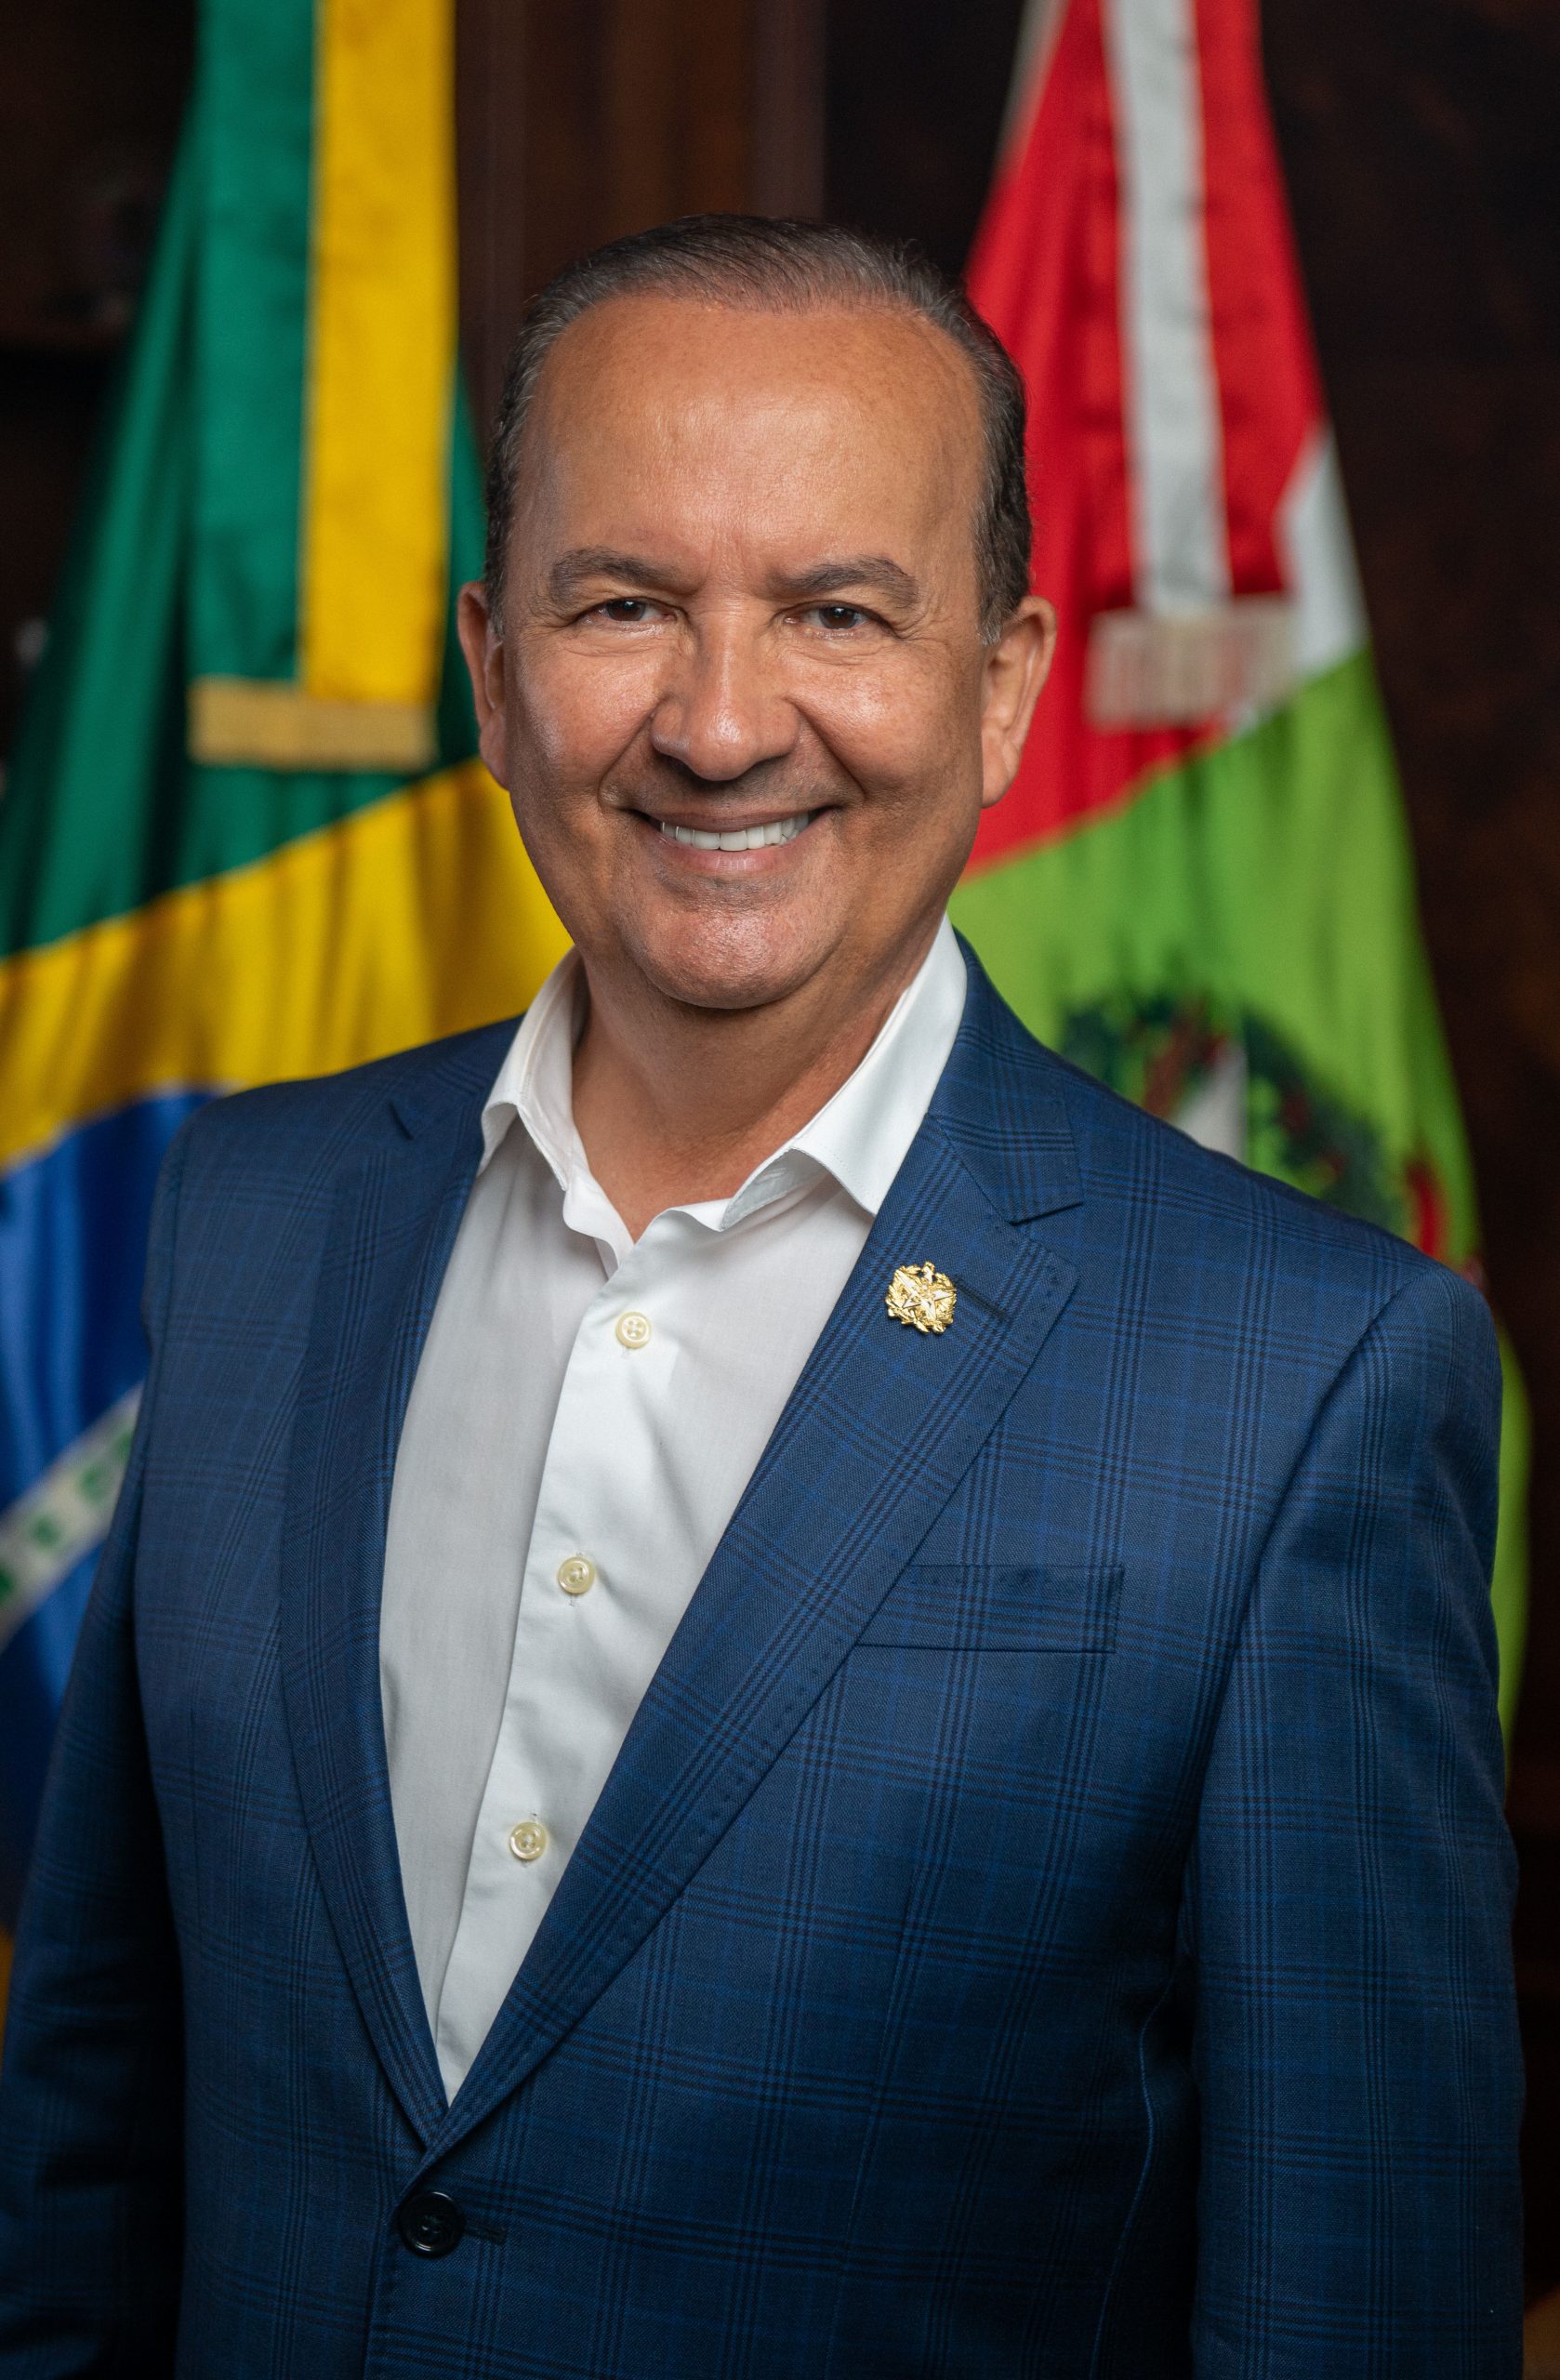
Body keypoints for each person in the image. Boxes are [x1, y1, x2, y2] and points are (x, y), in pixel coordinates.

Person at [0, 217, 1522, 2377]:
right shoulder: (253, 1212)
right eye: (622, 605)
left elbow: (1349, 2298)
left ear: (999, 685)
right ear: (491, 664)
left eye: (835, 612)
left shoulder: (1300, 1381)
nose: (718, 726)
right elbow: (94, 2123)